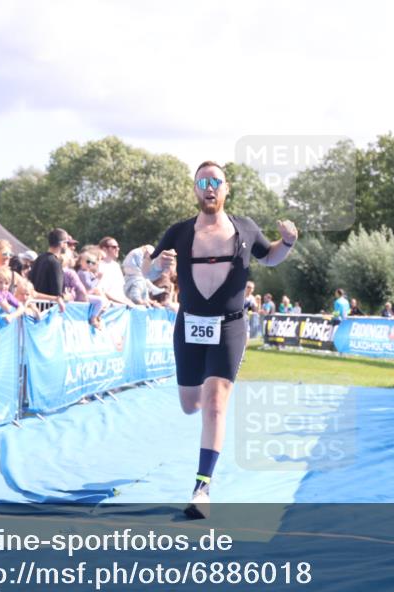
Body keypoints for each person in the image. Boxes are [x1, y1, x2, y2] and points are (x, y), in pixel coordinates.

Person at [142, 160, 297, 518]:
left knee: (215, 403)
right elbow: (147, 269)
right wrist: (157, 267)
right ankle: (203, 478)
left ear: (226, 189)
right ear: (195, 190)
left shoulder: (244, 227)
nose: (209, 188)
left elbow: (271, 257)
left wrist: (287, 241)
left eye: (216, 181)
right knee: (190, 404)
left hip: (229, 325)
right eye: (202, 182)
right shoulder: (179, 232)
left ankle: (202, 487)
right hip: (190, 325)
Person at [30, 228, 72, 307]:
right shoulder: (55, 263)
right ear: (62, 244)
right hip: (47, 310)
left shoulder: (39, 258)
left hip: (35, 307)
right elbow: (57, 294)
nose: (67, 246)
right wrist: (67, 297)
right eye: (66, 242)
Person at [98, 237, 135, 306]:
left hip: (121, 307)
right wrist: (124, 302)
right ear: (104, 249)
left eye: (118, 247)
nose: (118, 249)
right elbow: (103, 291)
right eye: (114, 247)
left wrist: (129, 302)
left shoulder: (116, 266)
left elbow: (120, 291)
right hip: (108, 308)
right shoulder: (99, 266)